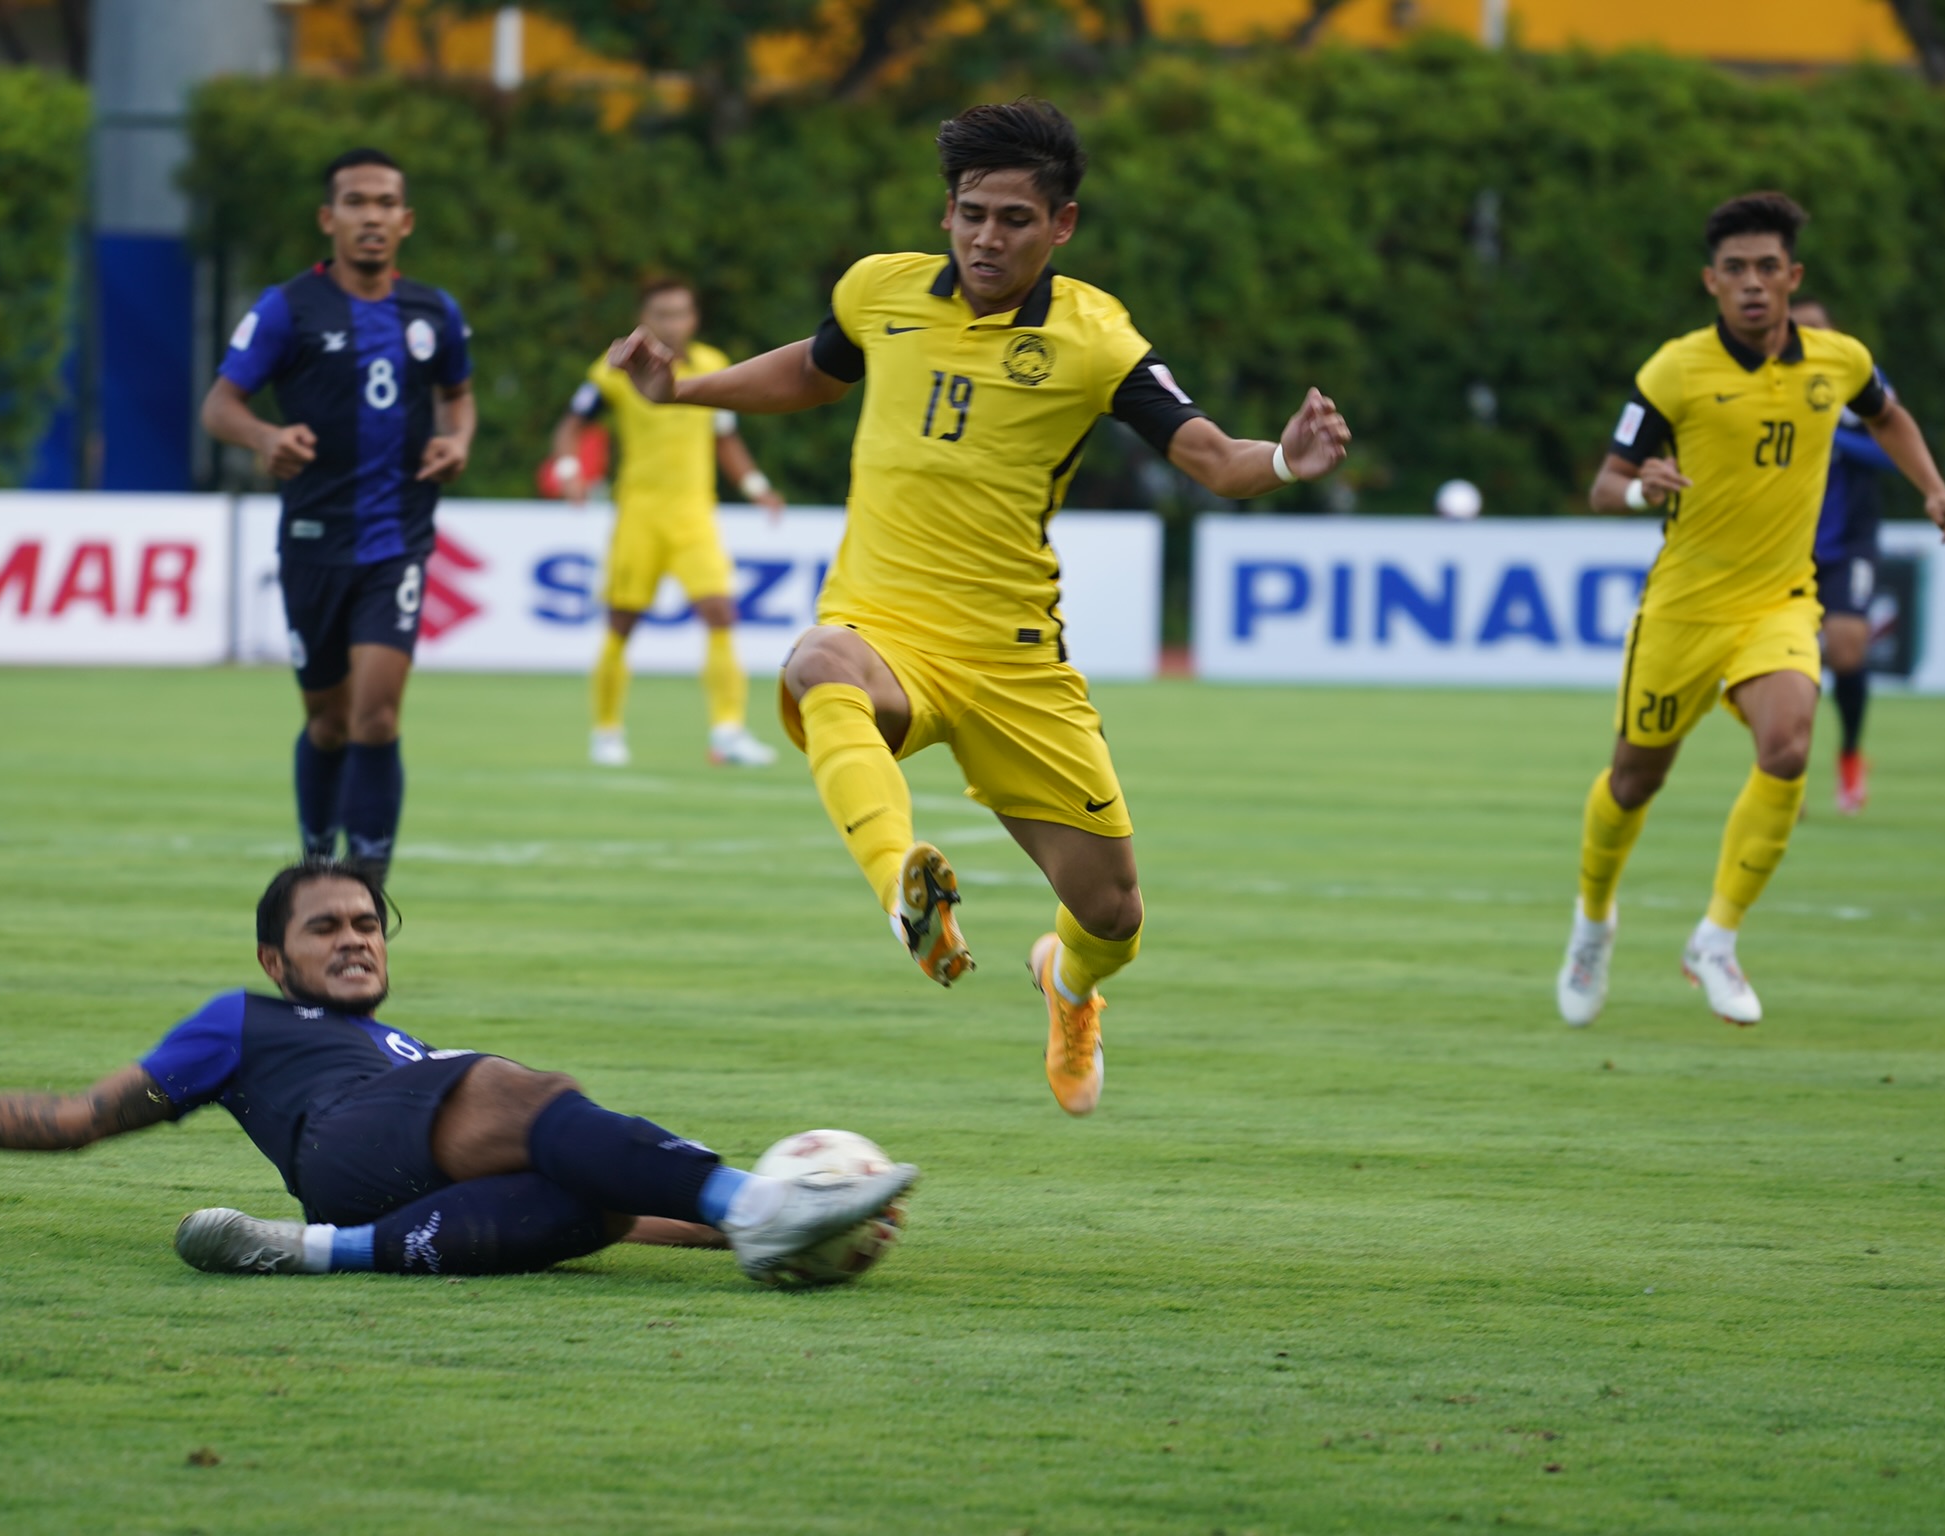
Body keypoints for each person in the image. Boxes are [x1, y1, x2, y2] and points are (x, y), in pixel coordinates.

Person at [610, 100, 1352, 1116]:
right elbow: (815, 370)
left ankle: (1069, 983)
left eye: (1011, 218)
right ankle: (902, 888)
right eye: (969, 214)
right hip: (885, 629)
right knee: (819, 661)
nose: (985, 237)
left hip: (1014, 663)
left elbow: (1211, 458)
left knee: (1113, 911)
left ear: (1062, 225)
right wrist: (683, 396)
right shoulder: (883, 292)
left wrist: (1283, 460)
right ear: (947, 213)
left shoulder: (1096, 339)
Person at [0, 858, 918, 1282]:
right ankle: (756, 1200)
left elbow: (629, 1210)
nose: (354, 937)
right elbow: (75, 1117)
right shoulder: (235, 1023)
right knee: (529, 1091)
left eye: (369, 924)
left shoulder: (402, 1049)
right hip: (346, 1141)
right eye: (325, 925)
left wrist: (746, 1232)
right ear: (272, 956)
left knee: (586, 1209)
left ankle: (310, 1255)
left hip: (375, 1189)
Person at [1557, 192, 1945, 1030]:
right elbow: (1603, 483)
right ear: (1711, 283)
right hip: (1683, 609)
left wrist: (1935, 491)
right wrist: (1641, 483)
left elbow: (1889, 414)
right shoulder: (1674, 370)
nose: (1752, 283)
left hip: (1780, 600)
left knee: (1789, 746)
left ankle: (1714, 939)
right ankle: (1593, 921)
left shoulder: (1840, 360)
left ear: (1792, 276)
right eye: (1735, 270)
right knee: (1635, 779)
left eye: (1767, 267)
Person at [200, 148, 477, 883]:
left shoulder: (434, 311)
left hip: (398, 543)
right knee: (327, 721)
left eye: (386, 203)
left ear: (406, 220)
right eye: (356, 202)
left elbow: (459, 395)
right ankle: (318, 861)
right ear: (330, 219)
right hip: (315, 543)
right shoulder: (286, 309)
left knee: (376, 716)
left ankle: (369, 885)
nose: (372, 217)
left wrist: (459, 441)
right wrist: (265, 436)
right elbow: (220, 405)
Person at [550, 277, 786, 769]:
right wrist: (571, 471)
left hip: (694, 514)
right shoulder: (615, 370)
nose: (671, 323)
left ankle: (727, 732)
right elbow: (573, 425)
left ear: (693, 318)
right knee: (622, 623)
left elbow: (726, 437)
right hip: (639, 513)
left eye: (680, 313)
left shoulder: (713, 366)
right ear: (645, 318)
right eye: (661, 313)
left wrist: (757, 487)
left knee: (721, 612)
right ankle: (607, 732)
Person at [1788, 297, 1900, 815]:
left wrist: (1831, 429)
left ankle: (1851, 755)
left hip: (1848, 542)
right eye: (1799, 328)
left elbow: (1890, 448)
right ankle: (1786, 774)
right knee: (1789, 661)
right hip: (1788, 542)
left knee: (1847, 648)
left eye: (1817, 327)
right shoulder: (1770, 383)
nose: (1808, 336)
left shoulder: (1854, 381)